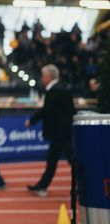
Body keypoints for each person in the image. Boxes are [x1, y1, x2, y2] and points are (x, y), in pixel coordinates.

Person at [25, 64, 76, 197]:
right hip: (61, 131)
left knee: (71, 160)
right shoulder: (62, 87)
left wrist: (31, 120)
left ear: (48, 76)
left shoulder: (54, 90)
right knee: (53, 160)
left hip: (60, 132)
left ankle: (87, 186)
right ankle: (42, 186)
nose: (42, 78)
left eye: (43, 75)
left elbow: (46, 110)